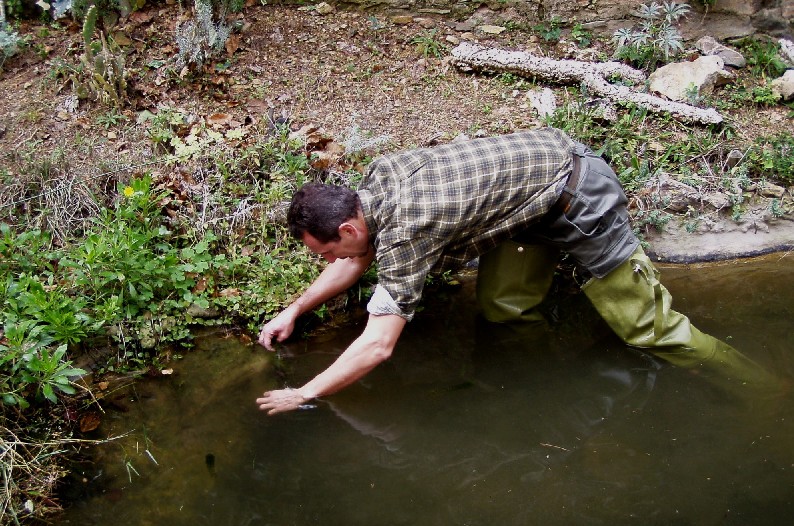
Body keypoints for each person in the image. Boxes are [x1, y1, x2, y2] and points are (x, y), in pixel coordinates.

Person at [256, 127, 778, 415]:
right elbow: (356, 258)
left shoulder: (410, 228)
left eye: (326, 252)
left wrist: (306, 393)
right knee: (502, 308)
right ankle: (544, 390)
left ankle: (766, 389)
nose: (331, 262)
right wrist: (296, 308)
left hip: (579, 196)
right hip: (527, 206)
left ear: (348, 226)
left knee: (650, 330)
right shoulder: (375, 185)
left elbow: (379, 344)